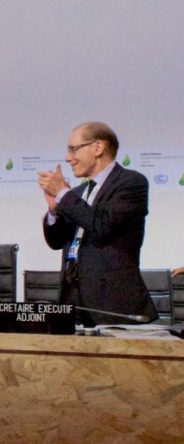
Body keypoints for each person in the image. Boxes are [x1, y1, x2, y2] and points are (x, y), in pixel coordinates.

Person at [38, 121, 157, 325]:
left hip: (112, 302)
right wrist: (54, 210)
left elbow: (102, 225)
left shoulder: (130, 183)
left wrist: (63, 194)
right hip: (73, 301)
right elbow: (56, 241)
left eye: (74, 149)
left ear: (98, 147)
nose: (68, 158)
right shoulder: (76, 194)